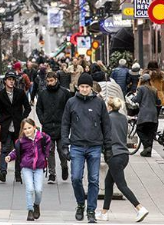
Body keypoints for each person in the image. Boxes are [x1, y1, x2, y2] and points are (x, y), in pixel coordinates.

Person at [60, 73, 112, 223]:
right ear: (78, 87)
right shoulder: (71, 102)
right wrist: (65, 144)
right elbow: (65, 124)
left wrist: (108, 147)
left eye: (87, 87)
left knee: (94, 180)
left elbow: (106, 125)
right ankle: (80, 204)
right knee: (76, 178)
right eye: (82, 87)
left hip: (95, 145)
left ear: (91, 87)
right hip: (77, 145)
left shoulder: (99, 103)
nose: (84, 89)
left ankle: (91, 210)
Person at [97, 97, 149, 222]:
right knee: (109, 183)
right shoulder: (123, 118)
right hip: (124, 155)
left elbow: (104, 135)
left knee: (121, 185)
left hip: (114, 155)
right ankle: (104, 213)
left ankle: (139, 208)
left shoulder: (107, 118)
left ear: (109, 107)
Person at [5, 118, 51, 221]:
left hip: (39, 167)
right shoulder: (21, 141)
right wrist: (10, 157)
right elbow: (16, 151)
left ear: (34, 127)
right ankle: (30, 210)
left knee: (38, 190)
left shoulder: (42, 137)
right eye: (25, 129)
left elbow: (49, 141)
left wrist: (45, 155)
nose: (27, 131)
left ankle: (36, 205)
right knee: (30, 189)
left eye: (29, 128)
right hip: (26, 167)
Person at [0, 71, 32, 183]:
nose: (11, 81)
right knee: (5, 149)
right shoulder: (0, 94)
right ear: (5, 81)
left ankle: (17, 174)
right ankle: (3, 172)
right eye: (9, 79)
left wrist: (23, 119)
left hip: (18, 126)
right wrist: (2, 120)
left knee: (19, 150)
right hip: (6, 126)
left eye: (13, 79)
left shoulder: (20, 93)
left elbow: (28, 107)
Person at [36, 72, 72, 183]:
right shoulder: (43, 93)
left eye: (52, 80)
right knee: (49, 151)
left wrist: (66, 122)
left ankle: (64, 166)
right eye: (48, 81)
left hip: (61, 126)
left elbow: (69, 108)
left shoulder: (64, 93)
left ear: (56, 80)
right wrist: (43, 120)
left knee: (62, 150)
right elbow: (38, 108)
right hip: (47, 126)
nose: (50, 83)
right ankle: (52, 174)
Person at [133, 74, 160, 157]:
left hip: (144, 114)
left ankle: (147, 146)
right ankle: (148, 152)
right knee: (150, 133)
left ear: (143, 80)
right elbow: (157, 101)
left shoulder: (141, 88)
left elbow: (137, 99)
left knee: (139, 130)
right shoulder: (154, 89)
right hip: (153, 114)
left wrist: (132, 98)